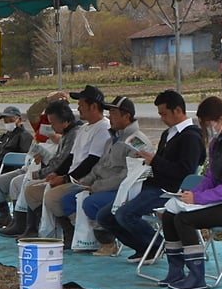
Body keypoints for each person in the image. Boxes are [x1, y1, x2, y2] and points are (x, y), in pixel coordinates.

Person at [159, 96, 222, 289]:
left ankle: (197, 277)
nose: (208, 129)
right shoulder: (217, 142)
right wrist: (189, 194)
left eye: (208, 124)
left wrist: (197, 199)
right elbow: (210, 178)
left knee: (184, 220)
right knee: (170, 215)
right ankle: (176, 271)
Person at [96, 90, 206, 262]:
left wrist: (155, 161)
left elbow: (184, 171)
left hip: (169, 189)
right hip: (151, 183)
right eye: (160, 114)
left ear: (177, 110)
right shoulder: (168, 133)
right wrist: (147, 161)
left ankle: (158, 245)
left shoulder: (191, 137)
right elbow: (161, 162)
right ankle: (143, 247)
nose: (162, 118)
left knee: (125, 215)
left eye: (164, 114)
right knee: (105, 215)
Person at [52, 96, 151, 251]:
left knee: (91, 202)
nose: (109, 116)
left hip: (124, 190)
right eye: (109, 112)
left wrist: (96, 187)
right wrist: (86, 182)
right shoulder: (112, 139)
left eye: (113, 113)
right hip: (102, 186)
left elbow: (128, 175)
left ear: (126, 116)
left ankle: (107, 241)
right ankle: (86, 238)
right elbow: (99, 167)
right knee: (68, 199)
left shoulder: (136, 141)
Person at [22, 85, 110, 239]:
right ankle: (46, 228)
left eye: (81, 105)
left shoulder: (103, 128)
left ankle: (71, 232)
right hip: (72, 176)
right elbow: (70, 157)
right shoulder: (84, 129)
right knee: (31, 190)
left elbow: (92, 161)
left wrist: (64, 178)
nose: (78, 108)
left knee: (52, 197)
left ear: (94, 106)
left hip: (87, 179)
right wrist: (56, 173)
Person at [0, 91, 68, 230]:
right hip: (29, 165)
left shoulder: (68, 129)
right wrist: (47, 99)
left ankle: (24, 223)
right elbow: (32, 112)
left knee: (16, 183)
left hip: (46, 168)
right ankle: (9, 217)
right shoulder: (43, 122)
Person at [1, 98, 82, 237]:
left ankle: (62, 231)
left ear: (64, 121)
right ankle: (27, 225)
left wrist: (42, 173)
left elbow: (63, 161)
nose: (52, 128)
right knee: (26, 187)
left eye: (53, 124)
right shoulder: (67, 134)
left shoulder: (73, 134)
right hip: (53, 171)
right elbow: (59, 160)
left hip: (68, 176)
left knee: (34, 188)